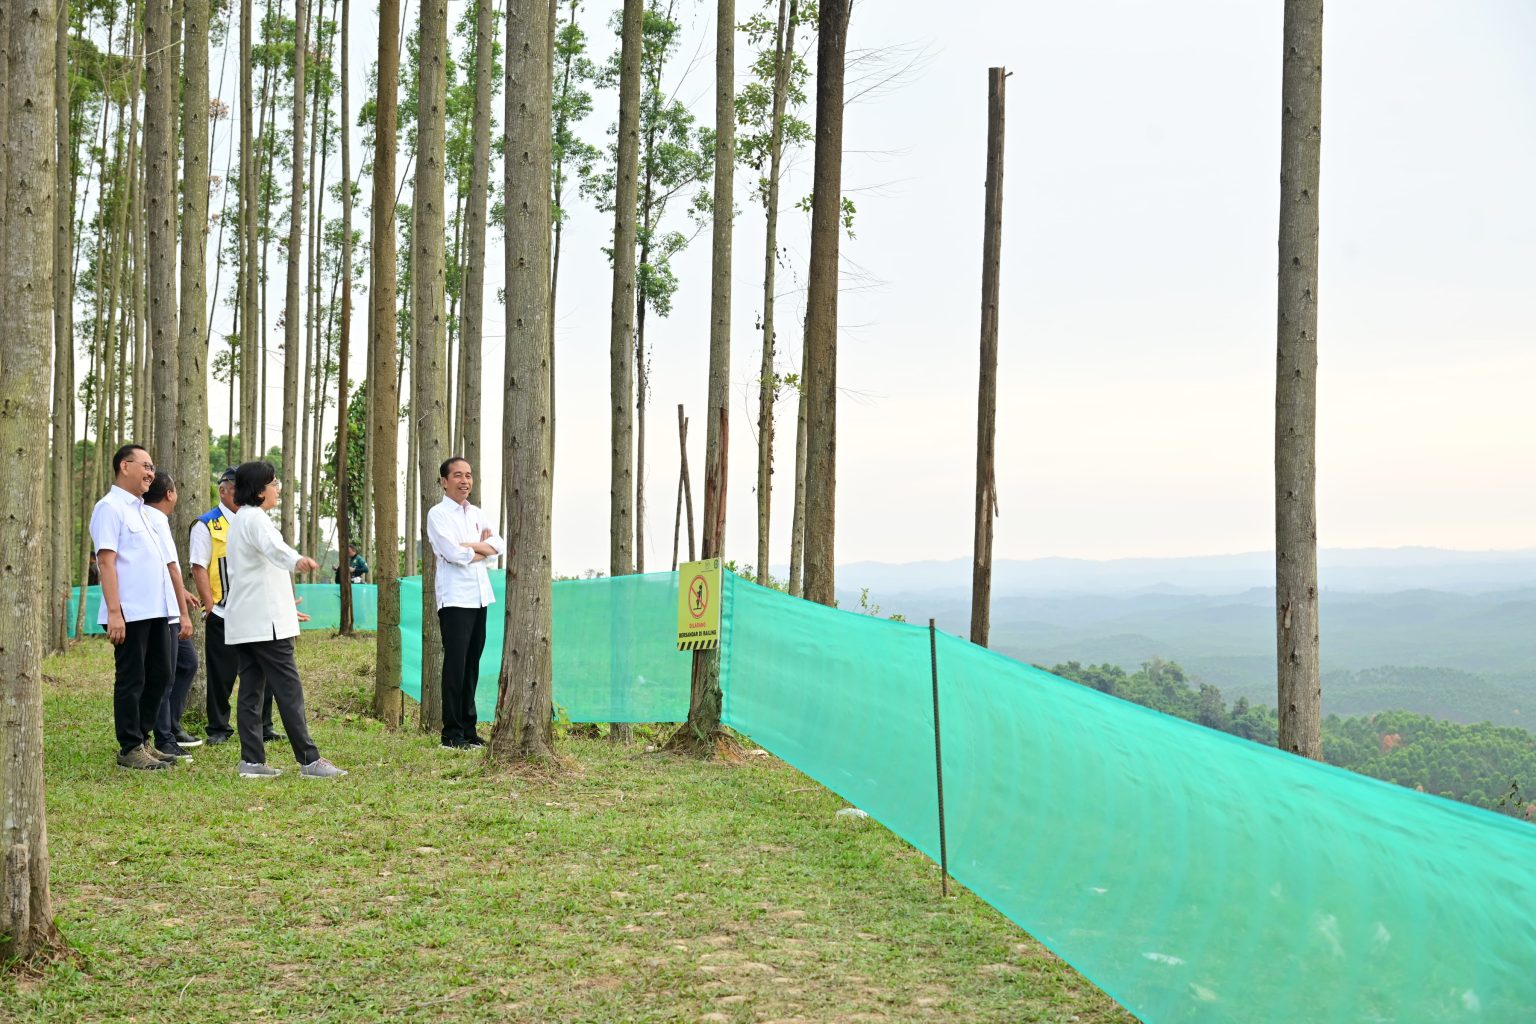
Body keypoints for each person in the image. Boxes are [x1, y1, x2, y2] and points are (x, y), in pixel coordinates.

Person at [222, 461, 347, 779]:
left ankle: (251, 761)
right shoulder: (257, 520)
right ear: (260, 489)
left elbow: (257, 574)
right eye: (274, 483)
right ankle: (309, 760)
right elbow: (275, 550)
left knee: (251, 690)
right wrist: (298, 560)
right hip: (265, 625)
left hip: (249, 619)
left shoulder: (241, 520)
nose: (278, 489)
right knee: (288, 689)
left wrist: (286, 606)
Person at [90, 445, 179, 770]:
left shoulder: (141, 510)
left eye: (153, 468)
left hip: (155, 610)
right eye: (145, 466)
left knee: (161, 674)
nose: (150, 473)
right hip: (129, 611)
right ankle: (129, 747)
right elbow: (106, 561)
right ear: (124, 466)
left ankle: (142, 738)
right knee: (132, 677)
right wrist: (115, 612)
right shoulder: (109, 508)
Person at [190, 467, 277, 745]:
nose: (241, 495)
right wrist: (208, 603)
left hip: (254, 609)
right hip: (223, 610)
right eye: (236, 489)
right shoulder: (207, 524)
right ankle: (218, 728)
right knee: (221, 673)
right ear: (223, 490)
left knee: (262, 670)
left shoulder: (254, 520)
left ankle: (264, 725)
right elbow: (198, 566)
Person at [426, 456, 505, 750]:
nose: (465, 481)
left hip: (480, 596)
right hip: (455, 599)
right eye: (458, 475)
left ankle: (469, 730)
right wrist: (481, 548)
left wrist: (472, 546)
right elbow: (451, 553)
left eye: (469, 475)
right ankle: (451, 734)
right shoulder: (438, 515)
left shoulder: (477, 513)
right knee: (456, 666)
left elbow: (499, 545)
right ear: (444, 481)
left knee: (472, 665)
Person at [143, 471, 202, 758]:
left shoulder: (152, 519)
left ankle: (171, 725)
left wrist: (182, 595)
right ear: (169, 494)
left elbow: (163, 570)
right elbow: (171, 567)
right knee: (164, 674)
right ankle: (164, 737)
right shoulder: (154, 519)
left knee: (186, 664)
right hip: (164, 613)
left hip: (167, 603)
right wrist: (183, 613)